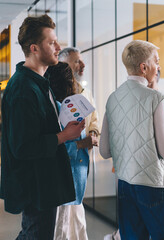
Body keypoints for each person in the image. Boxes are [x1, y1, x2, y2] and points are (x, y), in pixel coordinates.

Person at [0, 14, 85, 239]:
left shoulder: (38, 82)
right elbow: (22, 146)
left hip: (43, 184)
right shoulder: (23, 88)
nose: (58, 47)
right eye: (51, 42)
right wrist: (64, 135)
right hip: (35, 187)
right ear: (35, 48)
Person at [99, 40, 164, 240]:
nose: (158, 67)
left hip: (125, 184)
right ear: (143, 67)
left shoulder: (113, 98)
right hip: (156, 184)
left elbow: (104, 151)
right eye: (156, 62)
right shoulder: (155, 98)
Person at [104, 71, 164, 240]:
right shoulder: (129, 100)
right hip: (130, 171)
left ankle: (117, 235)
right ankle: (117, 235)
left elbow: (163, 144)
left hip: (146, 172)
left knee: (137, 227)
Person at [46, 62, 97, 240]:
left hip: (74, 186)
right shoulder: (58, 109)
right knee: (63, 231)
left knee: (74, 229)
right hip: (66, 184)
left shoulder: (67, 105)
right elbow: (57, 148)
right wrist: (83, 144)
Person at [58, 47, 99, 152]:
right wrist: (80, 144)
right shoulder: (56, 94)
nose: (83, 65)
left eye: (82, 61)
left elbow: (94, 119)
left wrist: (92, 133)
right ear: (63, 64)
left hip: (84, 161)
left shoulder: (86, 92)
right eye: (77, 61)